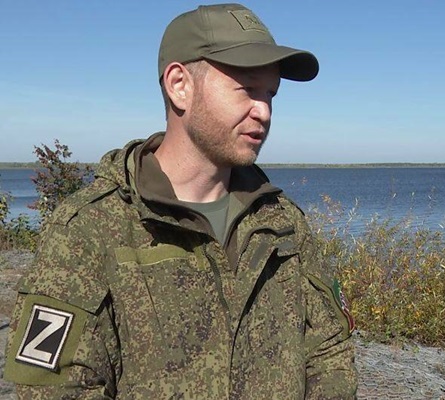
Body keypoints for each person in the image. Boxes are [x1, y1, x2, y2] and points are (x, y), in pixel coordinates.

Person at [3, 3, 357, 399]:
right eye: (248, 89)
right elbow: (56, 388)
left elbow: (329, 352)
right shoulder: (91, 229)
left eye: (271, 94)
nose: (264, 111)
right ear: (179, 85)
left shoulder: (282, 224)